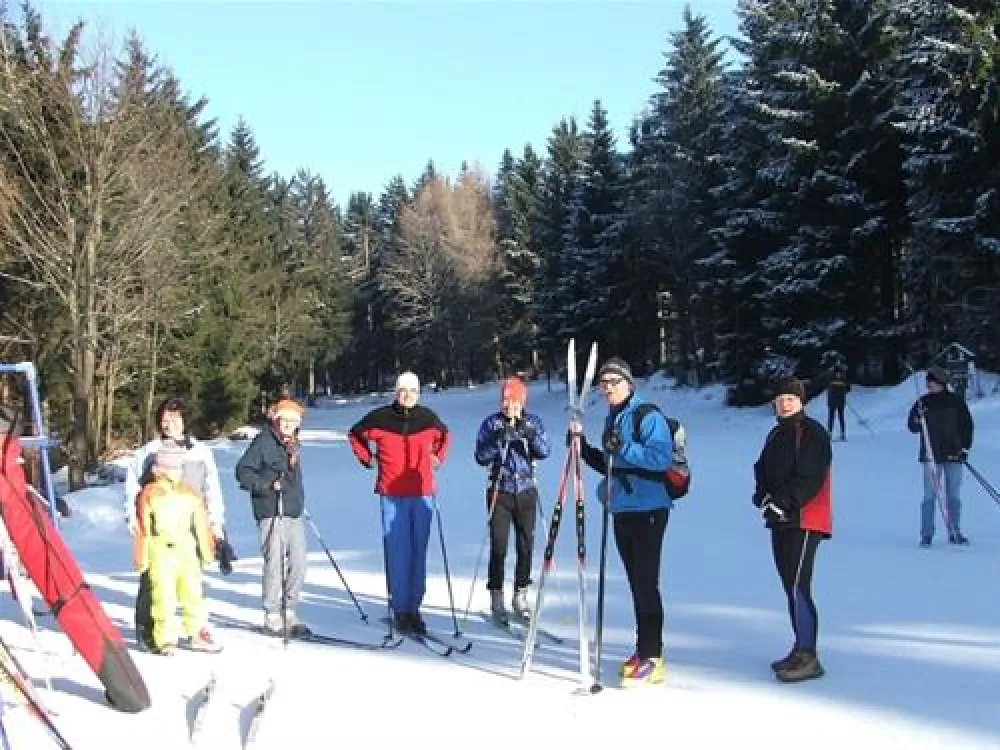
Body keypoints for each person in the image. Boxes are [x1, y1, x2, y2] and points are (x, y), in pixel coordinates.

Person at [569, 357, 672, 688]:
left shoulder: (647, 415)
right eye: (604, 383)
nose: (608, 388)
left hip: (649, 509)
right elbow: (615, 466)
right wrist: (585, 450)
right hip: (622, 507)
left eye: (614, 382)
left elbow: (659, 459)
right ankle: (643, 650)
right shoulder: (614, 417)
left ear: (629, 384)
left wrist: (623, 445)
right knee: (634, 582)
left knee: (645, 582)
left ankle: (653, 657)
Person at [124, 397, 232, 650]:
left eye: (173, 419)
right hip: (158, 526)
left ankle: (196, 631)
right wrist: (133, 517)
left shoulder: (200, 452)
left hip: (192, 525)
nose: (167, 424)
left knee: (192, 584)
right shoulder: (149, 452)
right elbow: (132, 489)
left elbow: (211, 490)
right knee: (154, 584)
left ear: (186, 421)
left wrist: (216, 527)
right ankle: (149, 630)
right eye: (163, 419)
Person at [349, 372, 451, 635]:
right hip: (392, 493)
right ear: (396, 392)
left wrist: (437, 457)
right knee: (398, 552)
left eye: (413, 391)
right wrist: (366, 458)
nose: (408, 395)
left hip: (422, 492)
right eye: (403, 390)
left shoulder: (427, 418)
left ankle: (414, 608)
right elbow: (355, 434)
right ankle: (400, 608)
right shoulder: (380, 418)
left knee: (418, 551)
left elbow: (444, 436)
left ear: (419, 393)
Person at [752, 376, 832, 683]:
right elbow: (763, 468)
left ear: (802, 402)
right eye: (781, 399)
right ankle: (799, 647)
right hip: (780, 519)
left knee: (799, 585)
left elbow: (811, 477)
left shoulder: (812, 433)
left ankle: (809, 655)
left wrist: (785, 501)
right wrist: (763, 495)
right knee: (789, 584)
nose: (785, 404)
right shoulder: (777, 433)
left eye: (791, 399)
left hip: (806, 518)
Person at [474, 376, 551, 623]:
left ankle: (521, 595)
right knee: (499, 546)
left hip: (526, 489)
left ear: (522, 401)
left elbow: (545, 450)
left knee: (526, 545)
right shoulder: (491, 423)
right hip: (501, 489)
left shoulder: (533, 421)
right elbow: (480, 456)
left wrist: (529, 434)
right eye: (506, 401)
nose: (510, 407)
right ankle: (497, 597)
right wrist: (498, 440)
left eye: (514, 401)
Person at [133, 442, 222, 655]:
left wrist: (207, 550)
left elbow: (201, 524)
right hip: (161, 549)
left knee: (193, 593)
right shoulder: (150, 494)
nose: (173, 472)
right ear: (157, 470)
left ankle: (197, 631)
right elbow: (143, 528)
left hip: (187, 549)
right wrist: (142, 557)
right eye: (168, 467)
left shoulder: (190, 494)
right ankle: (165, 637)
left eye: (177, 468)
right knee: (163, 595)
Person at [235, 398, 311, 636]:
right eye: (284, 419)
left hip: (293, 510)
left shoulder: (292, 444)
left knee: (299, 563)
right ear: (276, 420)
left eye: (293, 421)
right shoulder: (264, 442)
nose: (288, 424)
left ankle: (290, 609)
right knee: (275, 563)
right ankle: (272, 613)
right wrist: (267, 485)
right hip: (271, 510)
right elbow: (243, 472)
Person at [906, 366, 973, 547]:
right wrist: (917, 419)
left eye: (932, 381)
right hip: (931, 455)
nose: (928, 385)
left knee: (954, 495)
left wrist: (965, 448)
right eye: (927, 382)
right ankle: (927, 533)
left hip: (954, 454)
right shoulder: (923, 402)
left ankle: (955, 530)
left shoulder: (956, 402)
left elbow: (967, 426)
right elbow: (912, 426)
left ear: (941, 383)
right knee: (930, 495)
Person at [826, 367, 851, 441]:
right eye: (837, 373)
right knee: (831, 418)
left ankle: (843, 433)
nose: (838, 374)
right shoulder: (831, 380)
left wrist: (845, 388)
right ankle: (830, 433)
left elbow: (848, 389)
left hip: (841, 401)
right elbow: (829, 390)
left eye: (839, 373)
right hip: (832, 401)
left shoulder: (843, 380)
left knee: (841, 417)